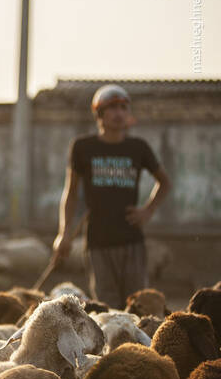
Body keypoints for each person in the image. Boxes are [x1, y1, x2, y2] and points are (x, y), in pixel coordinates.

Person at [52, 84, 171, 309]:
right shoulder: (83, 147)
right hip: (98, 241)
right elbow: (71, 192)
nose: (119, 113)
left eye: (124, 107)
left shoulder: (138, 148)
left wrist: (148, 210)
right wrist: (64, 234)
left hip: (131, 239)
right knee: (108, 308)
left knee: (138, 306)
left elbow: (165, 183)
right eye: (112, 108)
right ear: (99, 115)